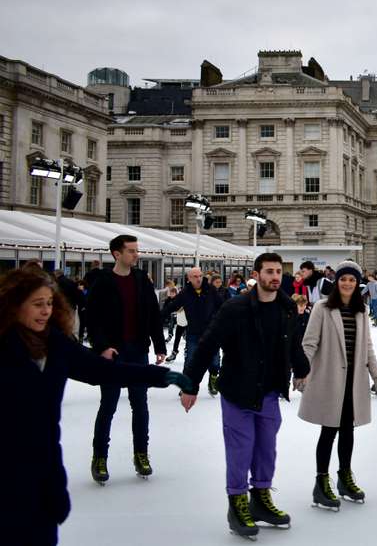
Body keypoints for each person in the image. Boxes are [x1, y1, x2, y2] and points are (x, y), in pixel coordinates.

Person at [1, 267, 193, 546]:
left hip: (43, 470)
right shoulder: (3, 347)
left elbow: (103, 371)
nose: (45, 311)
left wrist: (158, 375)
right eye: (37, 304)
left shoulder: (56, 346)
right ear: (15, 305)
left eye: (50, 303)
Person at [182, 252, 310, 538]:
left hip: (268, 392)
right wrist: (190, 384)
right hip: (238, 391)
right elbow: (207, 345)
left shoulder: (287, 307)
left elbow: (293, 345)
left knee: (266, 449)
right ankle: (237, 503)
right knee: (241, 450)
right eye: (269, 271)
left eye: (278, 271)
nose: (275, 276)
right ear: (257, 274)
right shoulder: (235, 308)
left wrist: (302, 369)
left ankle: (261, 500)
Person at [299, 260, 377, 510]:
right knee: (329, 431)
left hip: (354, 381)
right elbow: (309, 343)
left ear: (358, 284)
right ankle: (321, 482)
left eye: (352, 280)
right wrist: (301, 371)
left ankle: (345, 476)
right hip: (329, 379)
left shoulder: (362, 310)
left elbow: (367, 346)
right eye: (344, 279)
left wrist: (376, 373)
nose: (347, 283)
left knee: (348, 429)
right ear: (337, 282)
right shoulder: (323, 308)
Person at [86, 234, 168, 485]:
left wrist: (159, 344)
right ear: (117, 254)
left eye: (136, 250)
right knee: (108, 405)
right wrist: (102, 347)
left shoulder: (142, 280)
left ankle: (141, 454)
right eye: (131, 251)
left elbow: (153, 314)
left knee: (140, 404)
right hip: (113, 353)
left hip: (138, 351)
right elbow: (93, 319)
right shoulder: (103, 282)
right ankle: (99, 458)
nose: (136, 255)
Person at [160, 266, 224, 394]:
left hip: (211, 333)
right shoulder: (185, 293)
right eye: (195, 276)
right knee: (190, 360)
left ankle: (213, 379)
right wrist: (158, 318)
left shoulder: (211, 290)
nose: (199, 279)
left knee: (215, 361)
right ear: (189, 279)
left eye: (200, 276)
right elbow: (173, 306)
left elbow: (222, 306)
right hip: (193, 332)